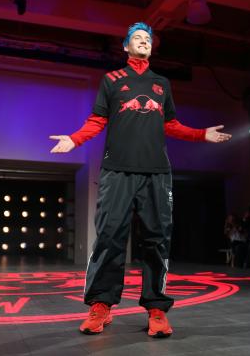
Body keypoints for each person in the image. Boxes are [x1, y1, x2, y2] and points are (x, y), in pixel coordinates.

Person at [49, 22, 232, 338]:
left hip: (156, 174)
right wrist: (75, 140)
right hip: (117, 171)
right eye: (138, 37)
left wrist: (202, 134)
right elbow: (97, 120)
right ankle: (101, 306)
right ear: (125, 46)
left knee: (156, 240)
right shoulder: (112, 80)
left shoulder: (162, 83)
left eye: (148, 38)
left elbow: (171, 124)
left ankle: (157, 309)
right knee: (109, 237)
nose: (144, 41)